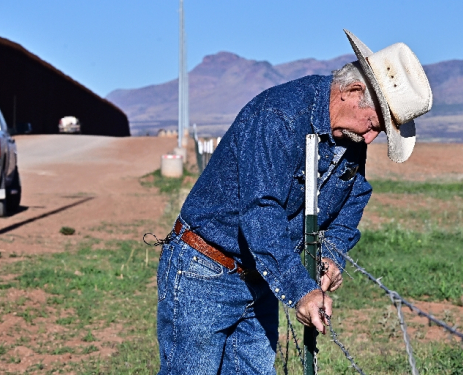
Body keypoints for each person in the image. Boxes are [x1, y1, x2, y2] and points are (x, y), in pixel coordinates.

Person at [156, 30, 433, 374]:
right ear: (352, 92)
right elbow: (262, 211)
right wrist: (302, 291)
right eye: (374, 125)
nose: (370, 138)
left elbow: (353, 196)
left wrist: (331, 254)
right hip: (204, 269)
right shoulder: (279, 117)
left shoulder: (349, 135)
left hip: (258, 276)